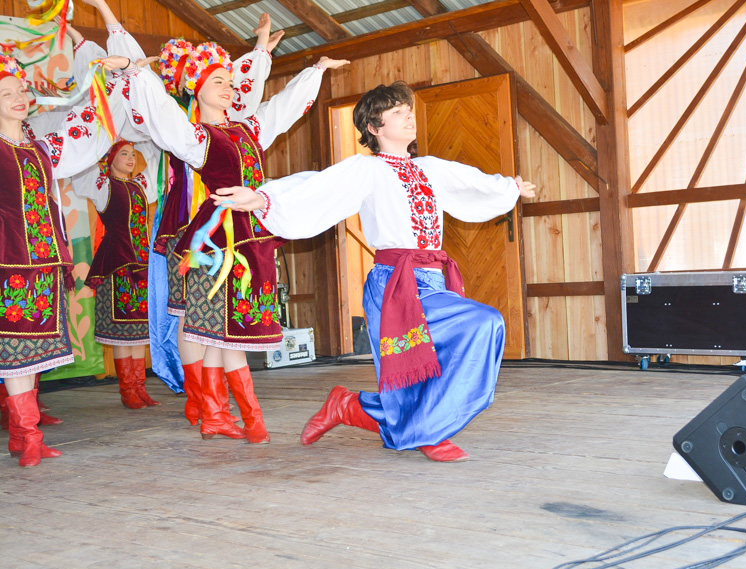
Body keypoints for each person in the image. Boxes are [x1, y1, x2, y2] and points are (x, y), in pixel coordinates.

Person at [211, 81, 537, 462]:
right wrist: (262, 198)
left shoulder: (430, 169)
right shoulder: (367, 169)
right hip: (394, 283)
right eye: (398, 112)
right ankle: (422, 432)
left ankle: (352, 407)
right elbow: (317, 188)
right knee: (428, 357)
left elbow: (473, 183)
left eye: (409, 110)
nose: (409, 116)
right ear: (374, 127)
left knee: (471, 334)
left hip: (432, 280)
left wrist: (507, 187)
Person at [119, 44, 348, 443]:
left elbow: (283, 107)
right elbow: (162, 114)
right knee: (217, 332)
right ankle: (241, 418)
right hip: (213, 243)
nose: (228, 87)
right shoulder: (195, 138)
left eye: (229, 81)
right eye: (217, 81)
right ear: (196, 86)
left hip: (252, 237)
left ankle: (218, 416)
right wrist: (135, 72)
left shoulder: (249, 129)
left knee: (225, 333)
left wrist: (315, 70)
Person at [0, 53, 132, 466]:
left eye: (21, 90)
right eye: (6, 93)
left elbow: (87, 128)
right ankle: (25, 434)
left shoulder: (41, 148)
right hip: (7, 263)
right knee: (15, 350)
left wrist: (108, 80)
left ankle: (26, 435)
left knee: (30, 350)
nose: (19, 97)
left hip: (42, 265)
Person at [74, 140, 161, 408]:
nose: (131, 158)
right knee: (123, 330)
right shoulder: (102, 187)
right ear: (110, 158)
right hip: (117, 265)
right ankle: (127, 391)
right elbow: (81, 173)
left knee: (138, 330)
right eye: (124, 154)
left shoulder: (140, 187)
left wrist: (144, 134)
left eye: (133, 155)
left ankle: (139, 388)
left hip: (142, 263)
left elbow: (156, 159)